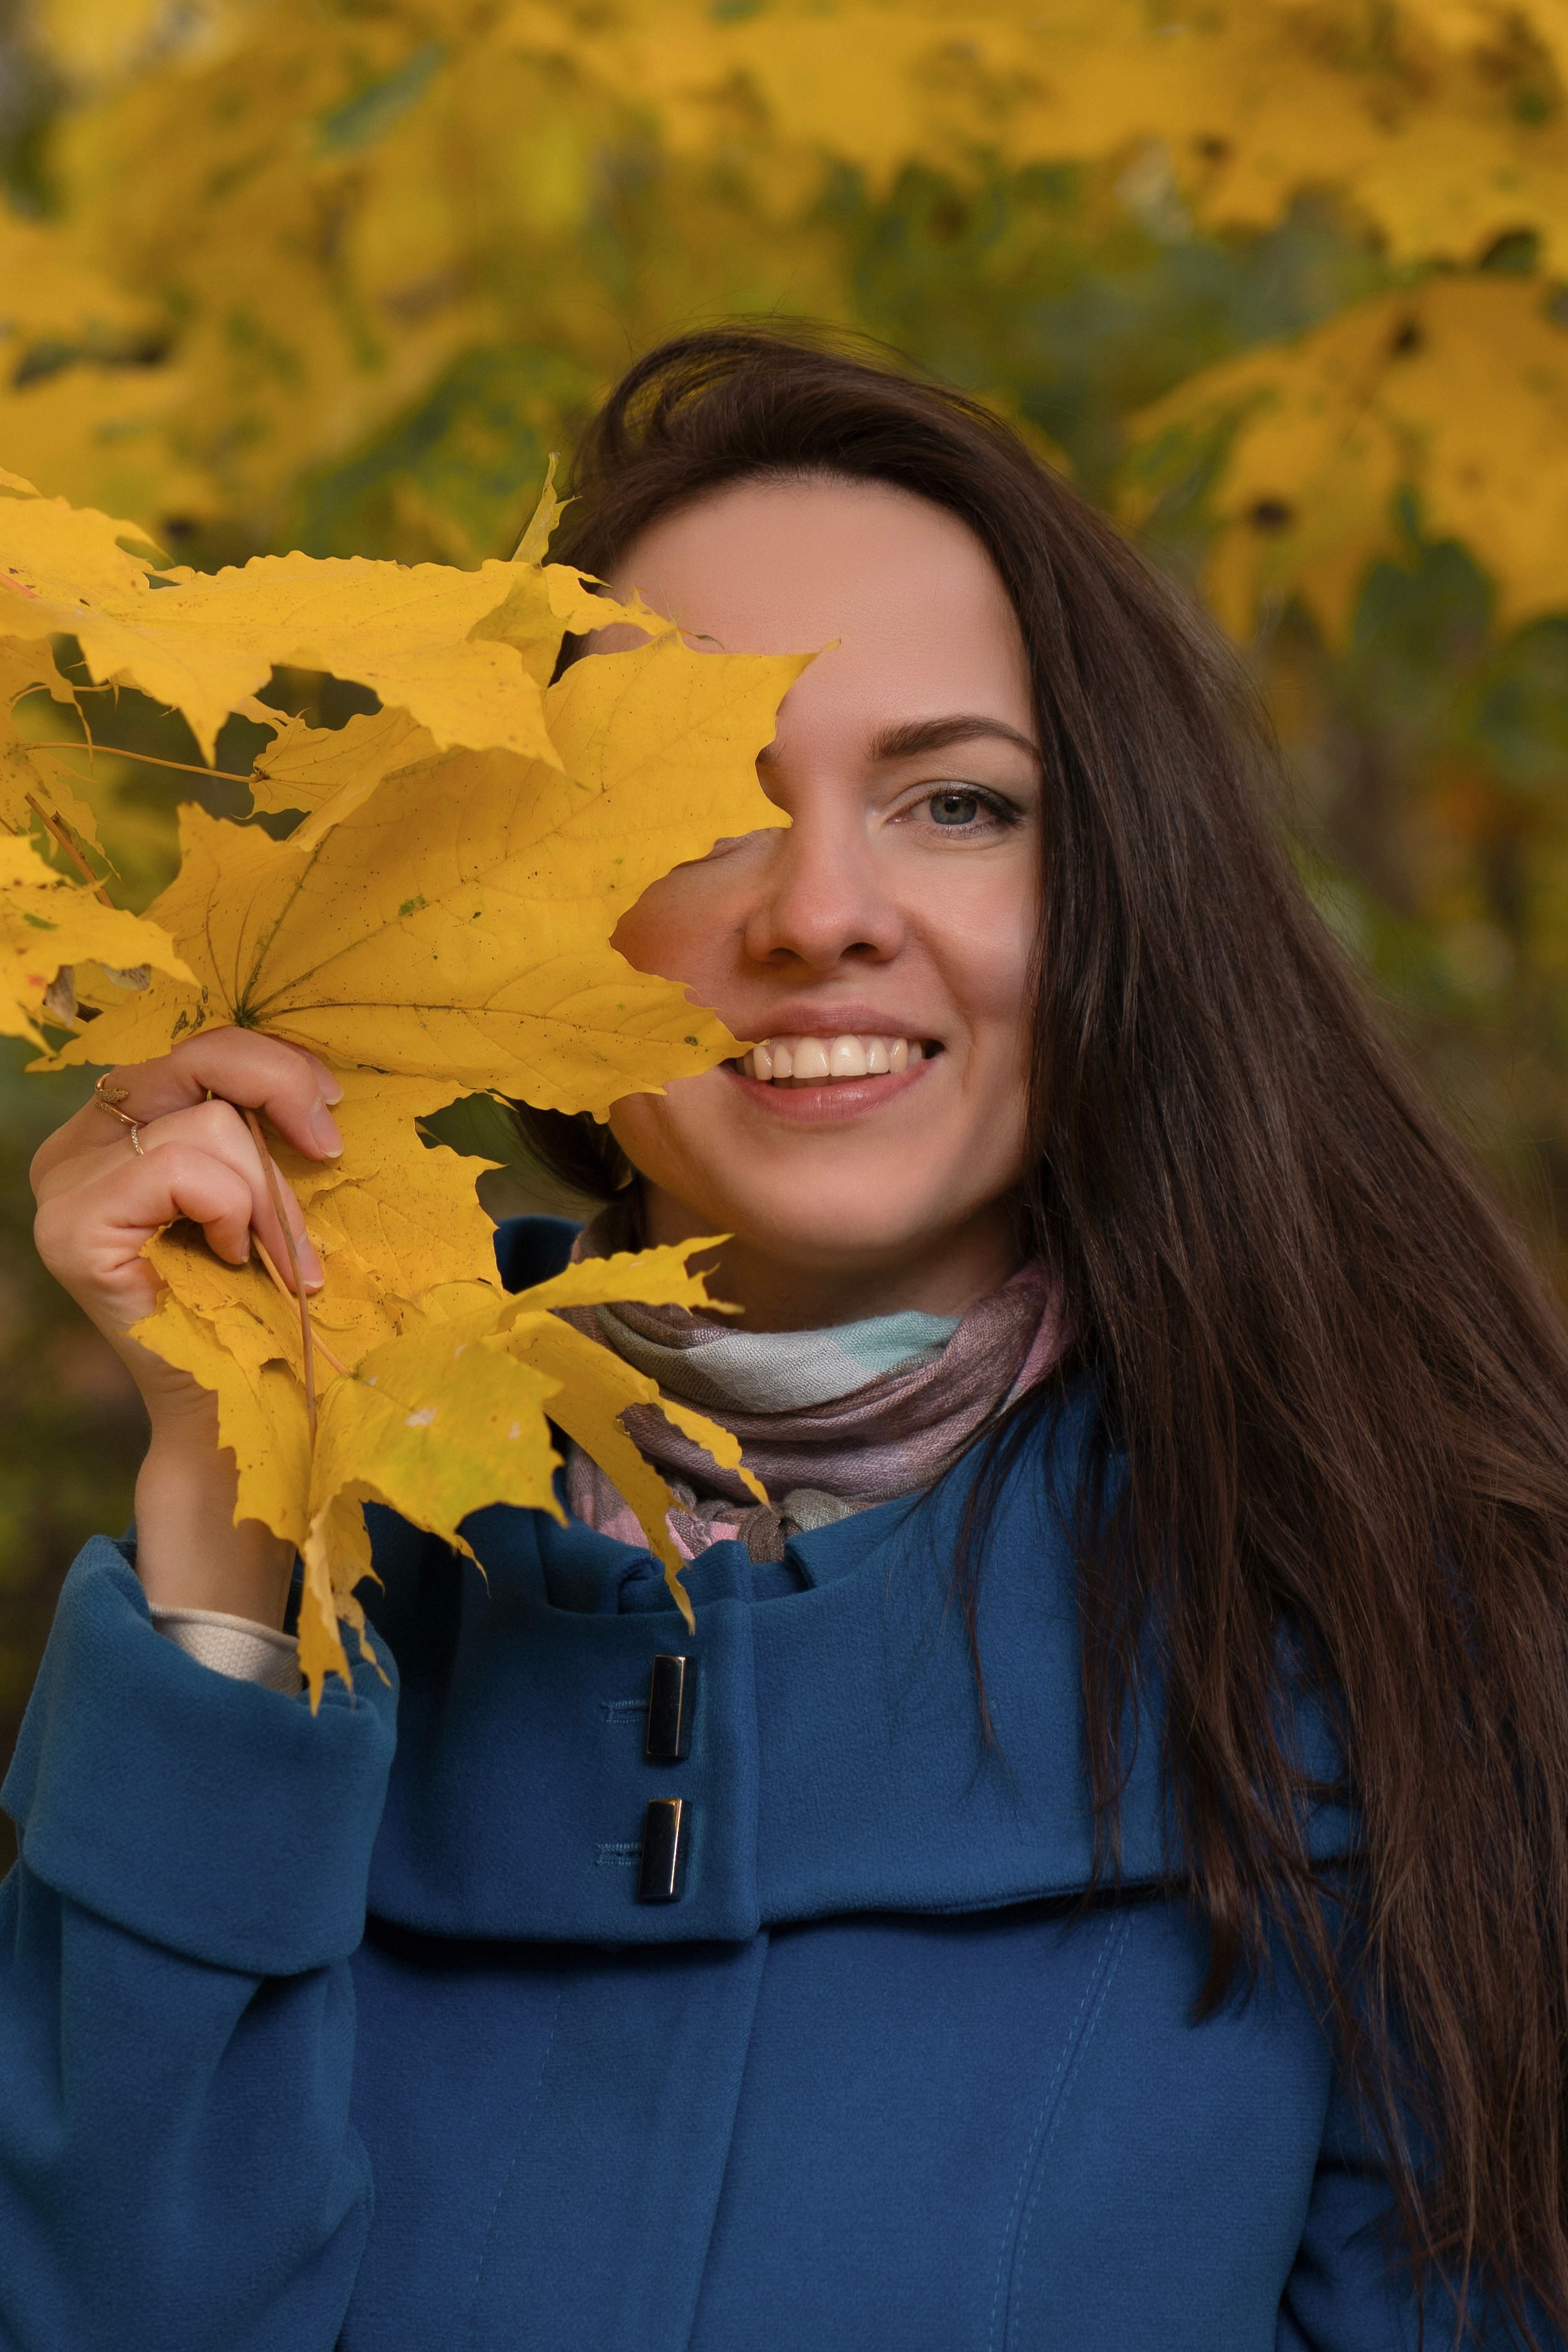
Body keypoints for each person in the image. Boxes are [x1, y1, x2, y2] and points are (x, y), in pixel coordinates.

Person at [8, 325, 1568, 2351]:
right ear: (522, 909)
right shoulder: (332, 1626)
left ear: (1119, 890)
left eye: (953, 804)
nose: (820, 910)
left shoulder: (1414, 1626)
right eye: (694, 812)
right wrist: (237, 1522)